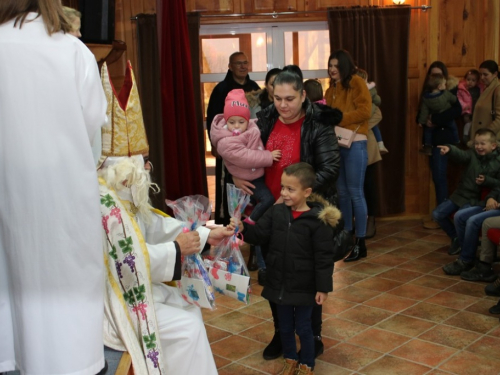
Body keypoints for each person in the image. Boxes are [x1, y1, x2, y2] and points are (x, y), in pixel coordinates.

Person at [99, 61, 233, 374]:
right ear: (119, 172)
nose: (148, 169)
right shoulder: (104, 206)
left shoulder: (124, 197)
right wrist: (177, 249)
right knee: (187, 329)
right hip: (112, 299)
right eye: (141, 164)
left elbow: (152, 223)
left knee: (189, 306)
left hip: (133, 287)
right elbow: (124, 261)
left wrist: (203, 234)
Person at [0, 1, 108, 374]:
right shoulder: (72, 51)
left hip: (9, 195)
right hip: (64, 199)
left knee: (13, 288)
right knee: (68, 303)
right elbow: (93, 123)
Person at [234, 66, 342, 360]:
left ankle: (313, 334)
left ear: (303, 95)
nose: (283, 104)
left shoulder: (318, 125)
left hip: (306, 213)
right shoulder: (265, 120)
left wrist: (295, 195)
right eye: (278, 97)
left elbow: (330, 168)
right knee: (274, 275)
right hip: (271, 211)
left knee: (306, 279)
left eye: (290, 98)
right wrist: (236, 175)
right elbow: (240, 153)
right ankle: (281, 334)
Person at [229, 163, 340, 375]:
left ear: (307, 192)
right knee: (285, 327)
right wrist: (243, 229)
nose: (283, 193)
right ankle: (290, 359)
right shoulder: (276, 212)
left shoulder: (318, 222)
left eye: (290, 189)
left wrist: (323, 288)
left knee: (304, 328)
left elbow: (323, 258)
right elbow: (259, 234)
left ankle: (307, 364)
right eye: (282, 187)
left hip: (305, 286)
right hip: (279, 282)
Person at [325, 49, 372, 262]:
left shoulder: (356, 83)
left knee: (355, 192)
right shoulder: (330, 89)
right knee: (342, 192)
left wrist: (339, 118)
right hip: (338, 143)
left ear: (344, 66)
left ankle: (360, 242)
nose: (332, 69)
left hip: (356, 142)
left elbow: (365, 111)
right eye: (330, 65)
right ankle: (347, 237)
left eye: (336, 65)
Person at [210, 89, 280, 224]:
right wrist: (268, 157)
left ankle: (249, 209)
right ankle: (250, 221)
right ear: (226, 121)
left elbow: (256, 122)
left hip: (255, 174)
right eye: (232, 122)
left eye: (241, 122)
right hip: (249, 178)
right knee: (267, 199)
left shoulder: (250, 126)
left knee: (256, 201)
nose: (236, 126)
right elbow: (246, 157)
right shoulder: (225, 141)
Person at [206, 52, 261, 225]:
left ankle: (248, 224)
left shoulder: (254, 88)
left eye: (246, 62)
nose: (243, 66)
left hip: (249, 146)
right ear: (230, 66)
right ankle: (227, 223)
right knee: (227, 184)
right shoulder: (221, 89)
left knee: (250, 185)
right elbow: (212, 118)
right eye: (239, 63)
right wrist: (215, 143)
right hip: (228, 146)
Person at [431, 129, 500, 255]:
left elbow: (497, 184)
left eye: (482, 144)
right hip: (460, 194)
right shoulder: (472, 154)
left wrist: (487, 181)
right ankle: (456, 238)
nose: (479, 147)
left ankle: (465, 250)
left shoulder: (497, 162)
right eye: (476, 143)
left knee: (462, 217)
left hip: (475, 199)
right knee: (437, 214)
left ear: (493, 145)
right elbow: (461, 155)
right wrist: (450, 149)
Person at [418, 61, 462, 230]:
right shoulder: (428, 94)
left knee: (441, 176)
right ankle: (442, 214)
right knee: (438, 176)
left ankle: (443, 215)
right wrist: (423, 121)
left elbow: (457, 110)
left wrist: (434, 119)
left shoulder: (449, 90)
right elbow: (421, 113)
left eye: (439, 75)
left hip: (446, 138)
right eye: (433, 74)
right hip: (432, 139)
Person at [443, 186, 500, 278]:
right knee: (459, 216)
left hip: (498, 209)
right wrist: (490, 198)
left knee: (472, 221)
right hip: (491, 205)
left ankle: (466, 260)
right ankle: (466, 254)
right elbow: (497, 188)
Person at [417, 73, 459, 155]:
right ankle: (456, 141)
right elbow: (454, 99)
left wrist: (421, 121)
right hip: (447, 118)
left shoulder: (426, 98)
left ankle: (428, 147)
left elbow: (424, 111)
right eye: (444, 84)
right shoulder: (446, 94)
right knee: (454, 128)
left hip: (433, 121)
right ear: (439, 86)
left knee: (428, 132)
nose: (445, 85)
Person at [356, 68, 388, 154]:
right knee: (374, 128)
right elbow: (378, 100)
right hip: (370, 113)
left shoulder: (355, 91)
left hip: (362, 116)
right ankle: (380, 144)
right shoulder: (370, 89)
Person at [469, 60, 500, 143]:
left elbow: (499, 118)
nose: (482, 77)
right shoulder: (486, 88)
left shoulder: (497, 89)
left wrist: (485, 135)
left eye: (485, 74)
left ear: (495, 74)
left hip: (489, 141)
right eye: (480, 74)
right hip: (483, 140)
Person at [457, 69, 483, 143]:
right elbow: (459, 99)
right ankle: (465, 135)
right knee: (467, 122)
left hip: (476, 110)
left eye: (473, 80)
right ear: (465, 79)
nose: (470, 82)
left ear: (477, 81)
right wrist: (464, 106)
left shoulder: (479, 89)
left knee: (475, 124)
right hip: (467, 111)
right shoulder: (462, 89)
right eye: (468, 79)